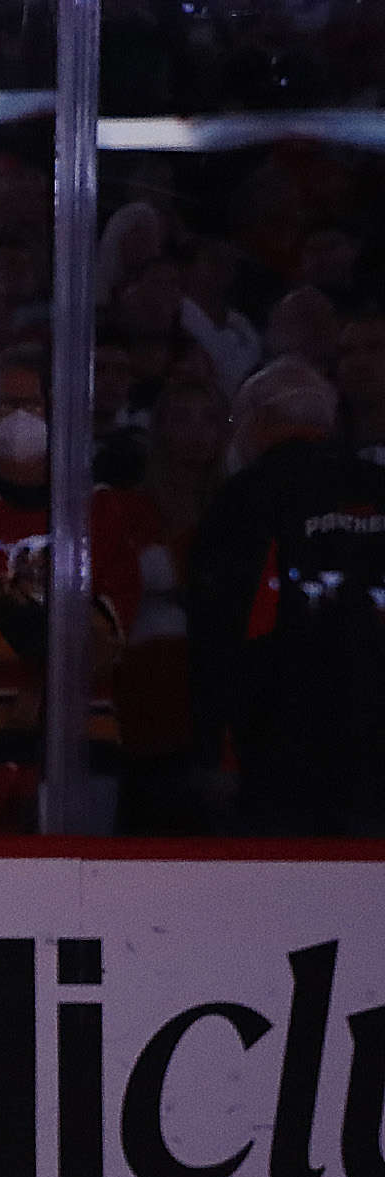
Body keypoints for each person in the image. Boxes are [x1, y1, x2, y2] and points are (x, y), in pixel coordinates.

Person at [0, 345, 141, 833]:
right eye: (5, 404)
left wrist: (38, 672)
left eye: (32, 404)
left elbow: (113, 617)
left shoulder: (95, 506)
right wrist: (63, 648)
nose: (19, 416)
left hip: (82, 735)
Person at [192, 357, 385, 833]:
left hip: (281, 741)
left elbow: (225, 628)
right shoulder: (379, 487)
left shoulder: (246, 497)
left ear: (258, 417)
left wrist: (215, 745)